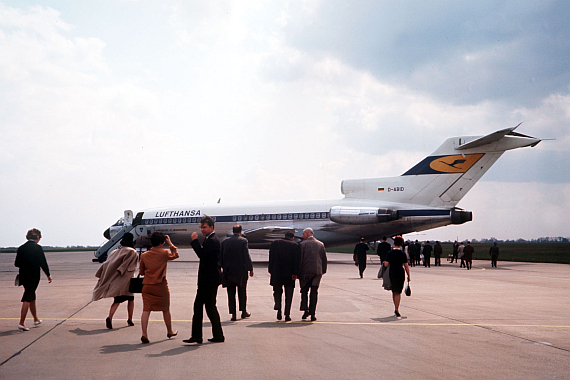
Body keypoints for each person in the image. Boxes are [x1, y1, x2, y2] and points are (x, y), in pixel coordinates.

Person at [184, 216, 225, 344]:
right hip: (211, 279)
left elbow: (202, 255)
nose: (202, 229)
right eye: (201, 227)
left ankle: (197, 336)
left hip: (208, 280)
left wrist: (195, 242)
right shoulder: (210, 239)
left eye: (204, 227)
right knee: (210, 307)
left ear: (211, 227)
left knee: (199, 306)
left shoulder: (212, 240)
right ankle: (218, 335)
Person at [139, 231, 179, 344]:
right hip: (160, 286)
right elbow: (175, 255)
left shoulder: (144, 255)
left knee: (146, 310)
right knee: (165, 309)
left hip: (147, 285)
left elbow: (141, 272)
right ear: (161, 243)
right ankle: (169, 331)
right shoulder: (164, 253)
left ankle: (144, 334)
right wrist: (170, 243)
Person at [92, 232, 139, 329]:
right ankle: (130, 319)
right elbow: (130, 267)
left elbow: (107, 265)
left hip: (116, 282)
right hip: (127, 281)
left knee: (117, 301)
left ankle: (110, 317)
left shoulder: (114, 252)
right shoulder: (132, 252)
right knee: (131, 299)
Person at [15, 228, 52, 331]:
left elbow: (16, 263)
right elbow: (43, 263)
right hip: (33, 275)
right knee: (27, 296)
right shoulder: (38, 248)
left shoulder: (21, 248)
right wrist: (48, 274)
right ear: (37, 237)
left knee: (31, 295)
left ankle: (36, 319)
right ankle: (21, 322)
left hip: (23, 275)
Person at [221, 225, 253, 321]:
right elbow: (246, 256)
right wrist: (250, 268)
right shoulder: (243, 241)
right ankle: (243, 311)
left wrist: (224, 268)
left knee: (231, 293)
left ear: (232, 231)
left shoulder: (224, 242)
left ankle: (233, 314)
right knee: (242, 291)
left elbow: (221, 256)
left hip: (229, 271)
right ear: (241, 231)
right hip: (241, 271)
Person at [268, 232, 300, 321]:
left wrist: (270, 270)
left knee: (277, 291)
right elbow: (297, 261)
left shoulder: (275, 243)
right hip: (289, 274)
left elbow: (271, 258)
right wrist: (295, 273)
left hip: (277, 271)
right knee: (289, 295)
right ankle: (287, 314)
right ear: (292, 238)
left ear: (284, 236)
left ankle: (278, 307)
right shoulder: (295, 245)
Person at [298, 228, 327, 321]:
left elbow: (300, 259)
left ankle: (305, 310)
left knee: (304, 292)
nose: (302, 236)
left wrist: (297, 272)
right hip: (317, 272)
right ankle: (313, 313)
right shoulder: (320, 244)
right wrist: (323, 270)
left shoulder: (302, 245)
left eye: (303, 234)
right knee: (314, 293)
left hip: (305, 272)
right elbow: (324, 259)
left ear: (307, 234)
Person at [382, 236, 410, 317]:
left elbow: (386, 264)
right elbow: (406, 266)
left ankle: (395, 307)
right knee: (398, 292)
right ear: (401, 244)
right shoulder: (402, 254)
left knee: (394, 291)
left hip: (392, 272)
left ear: (394, 244)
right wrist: (408, 275)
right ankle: (397, 308)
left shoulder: (389, 253)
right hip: (400, 272)